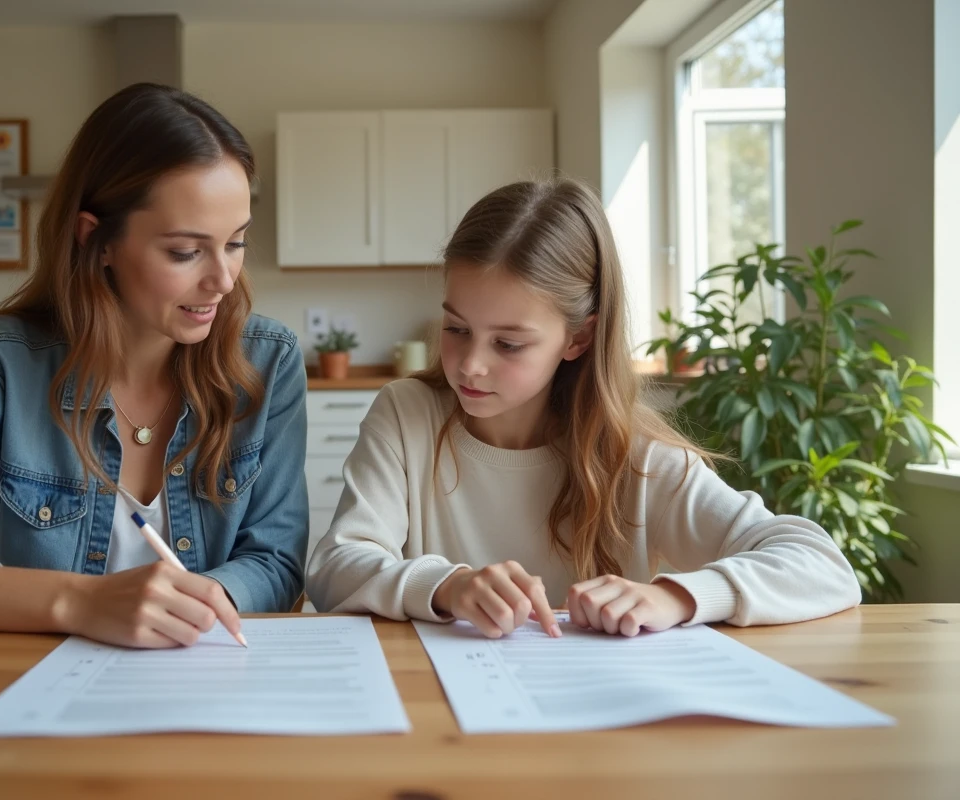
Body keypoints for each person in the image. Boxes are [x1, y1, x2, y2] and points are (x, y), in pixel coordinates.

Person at [0, 84, 309, 648]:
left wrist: (191, 609)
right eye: (185, 252)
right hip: (39, 696)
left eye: (235, 242)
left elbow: (277, 561)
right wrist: (80, 602)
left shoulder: (268, 361)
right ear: (98, 241)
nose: (223, 279)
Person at [306, 177, 860, 638]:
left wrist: (677, 597)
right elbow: (332, 571)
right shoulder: (407, 415)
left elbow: (822, 565)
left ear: (578, 338)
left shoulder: (636, 457)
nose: (470, 364)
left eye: (508, 343)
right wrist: (446, 586)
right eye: (456, 328)